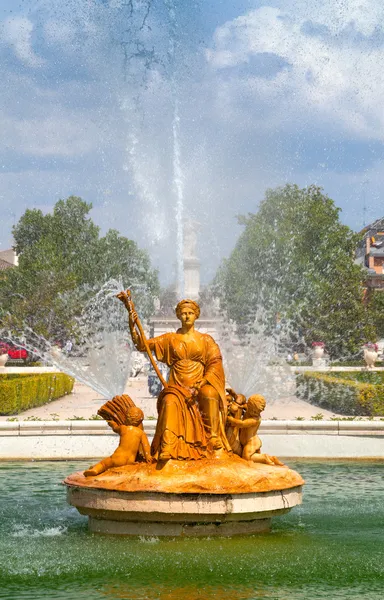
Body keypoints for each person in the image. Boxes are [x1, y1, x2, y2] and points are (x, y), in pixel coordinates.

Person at [120, 295, 231, 460]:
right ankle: (168, 446)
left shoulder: (206, 340)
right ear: (179, 316)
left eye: (190, 313)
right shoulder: (169, 339)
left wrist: (205, 380)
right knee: (169, 401)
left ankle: (212, 437)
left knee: (209, 394)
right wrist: (132, 323)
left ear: (196, 315)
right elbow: (141, 345)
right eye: (183, 313)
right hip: (177, 386)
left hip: (200, 384)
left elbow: (215, 361)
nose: (187, 316)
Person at [83, 406, 151, 477]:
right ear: (140, 420)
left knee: (103, 464)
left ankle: (95, 470)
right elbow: (146, 446)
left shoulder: (123, 428)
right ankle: (94, 468)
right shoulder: (141, 433)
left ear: (127, 418)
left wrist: (112, 423)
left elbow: (115, 428)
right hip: (130, 461)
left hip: (117, 458)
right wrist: (148, 457)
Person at [226, 394, 284, 466]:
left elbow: (242, 424)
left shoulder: (254, 420)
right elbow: (244, 405)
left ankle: (264, 458)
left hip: (251, 443)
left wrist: (230, 419)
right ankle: (272, 458)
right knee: (250, 455)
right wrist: (238, 401)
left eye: (257, 412)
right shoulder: (249, 409)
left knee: (246, 457)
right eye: (253, 411)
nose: (255, 413)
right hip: (247, 442)